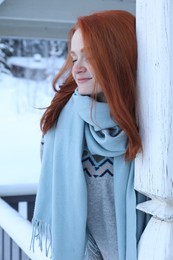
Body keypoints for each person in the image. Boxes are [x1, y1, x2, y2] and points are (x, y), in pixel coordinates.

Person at [31, 10, 147, 260]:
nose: (78, 69)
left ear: (118, 55)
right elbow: (84, 231)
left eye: (90, 56)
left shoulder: (151, 122)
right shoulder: (61, 124)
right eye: (74, 58)